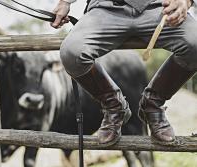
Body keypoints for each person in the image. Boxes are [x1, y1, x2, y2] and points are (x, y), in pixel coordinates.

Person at [51, 0, 197, 146]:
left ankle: (152, 104)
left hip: (160, 8)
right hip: (105, 9)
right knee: (72, 52)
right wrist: (65, 1)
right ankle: (114, 106)